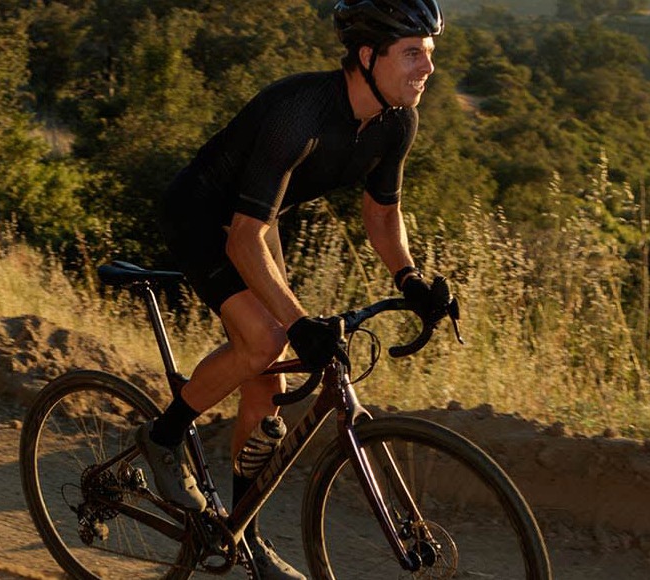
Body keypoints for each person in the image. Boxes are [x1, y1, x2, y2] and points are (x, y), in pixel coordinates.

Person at [133, 0, 448, 577]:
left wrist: (411, 279)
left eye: (429, 53)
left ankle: (239, 539)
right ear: (367, 56)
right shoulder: (298, 113)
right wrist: (299, 322)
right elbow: (241, 241)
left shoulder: (396, 120)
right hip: (203, 217)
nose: (427, 67)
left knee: (267, 386)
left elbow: (382, 215)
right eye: (412, 53)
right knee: (266, 341)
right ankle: (163, 435)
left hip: (257, 221)